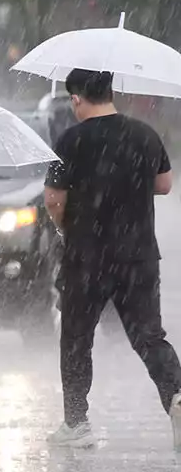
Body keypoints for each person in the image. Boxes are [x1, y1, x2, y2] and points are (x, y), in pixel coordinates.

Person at [43, 68, 181, 449]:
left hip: (85, 256)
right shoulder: (144, 134)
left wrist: (64, 227)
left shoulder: (70, 140)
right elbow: (165, 184)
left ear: (76, 99)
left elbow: (54, 199)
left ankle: (76, 423)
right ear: (110, 91)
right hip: (137, 255)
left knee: (76, 338)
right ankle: (176, 396)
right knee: (149, 336)